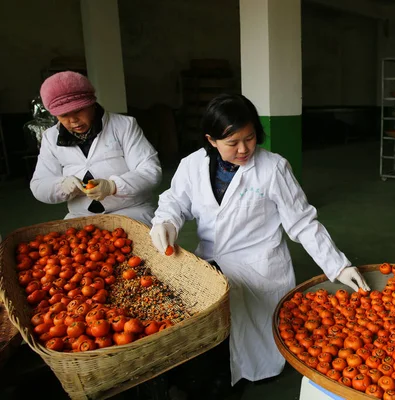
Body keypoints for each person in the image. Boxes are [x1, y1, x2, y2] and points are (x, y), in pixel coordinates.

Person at [149, 93, 370, 389]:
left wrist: (338, 266)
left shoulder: (273, 168)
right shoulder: (192, 166)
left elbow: (302, 222)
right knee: (213, 334)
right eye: (233, 142)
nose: (244, 149)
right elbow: (176, 201)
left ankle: (257, 372)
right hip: (211, 262)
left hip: (259, 265)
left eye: (250, 138)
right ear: (211, 140)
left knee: (258, 339)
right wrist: (166, 221)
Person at [30, 71, 162, 226]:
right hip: (81, 216)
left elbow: (150, 171)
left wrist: (114, 186)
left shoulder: (124, 126)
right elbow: (39, 186)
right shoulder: (51, 138)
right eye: (64, 115)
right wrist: (62, 186)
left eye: (78, 111)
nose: (73, 120)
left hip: (131, 211)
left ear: (91, 103)